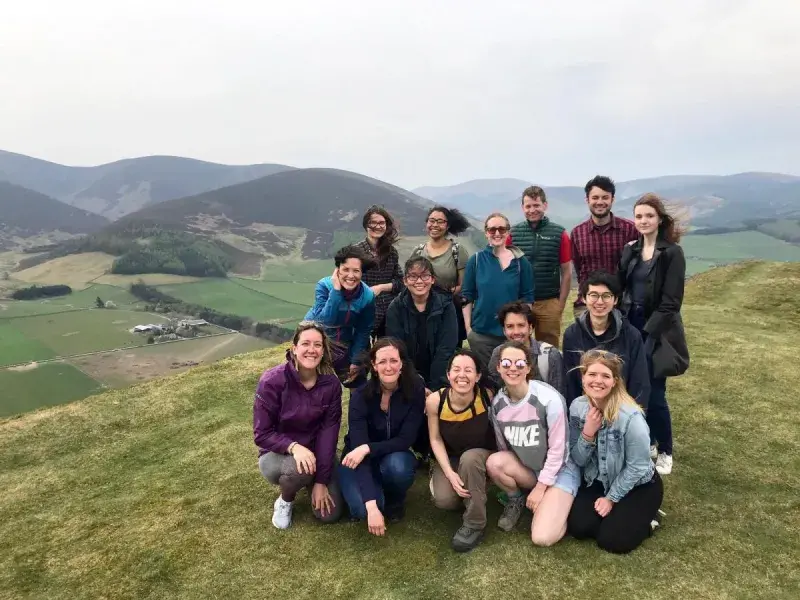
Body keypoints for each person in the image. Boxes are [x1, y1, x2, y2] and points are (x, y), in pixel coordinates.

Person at [618, 193, 689, 476]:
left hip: (657, 329)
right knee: (634, 390)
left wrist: (646, 336)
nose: (643, 221)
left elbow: (671, 303)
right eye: (638, 216)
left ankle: (666, 450)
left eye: (649, 215)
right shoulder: (631, 250)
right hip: (629, 324)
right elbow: (622, 286)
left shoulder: (672, 253)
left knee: (655, 394)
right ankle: (647, 441)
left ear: (659, 219)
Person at [566, 350, 664, 554]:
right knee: (578, 527)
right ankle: (623, 518)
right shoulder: (577, 407)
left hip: (638, 485)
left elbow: (637, 466)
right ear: (583, 377)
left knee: (612, 541)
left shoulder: (630, 417)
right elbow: (578, 459)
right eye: (592, 374)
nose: (597, 381)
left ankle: (649, 518)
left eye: (605, 376)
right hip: (599, 480)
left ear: (615, 381)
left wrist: (611, 498)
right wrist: (588, 433)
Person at [486, 341, 578, 546]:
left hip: (560, 471)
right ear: (498, 367)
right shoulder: (498, 404)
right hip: (530, 470)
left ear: (528, 368)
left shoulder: (549, 399)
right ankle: (516, 499)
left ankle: (561, 506)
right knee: (495, 462)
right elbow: (504, 448)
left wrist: (541, 488)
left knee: (542, 538)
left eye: (520, 363)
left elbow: (559, 451)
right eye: (507, 363)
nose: (513, 368)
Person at [254, 322, 344, 529]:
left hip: (314, 454)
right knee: (300, 470)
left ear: (323, 350)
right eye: (305, 344)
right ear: (294, 348)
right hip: (276, 453)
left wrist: (321, 481)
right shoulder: (272, 381)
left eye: (318, 345)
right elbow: (262, 434)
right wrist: (294, 447)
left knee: (329, 514)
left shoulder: (330, 385)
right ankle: (285, 501)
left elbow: (328, 434)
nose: (312, 350)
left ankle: (312, 479)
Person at [338, 338, 426, 536]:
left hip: (392, 455)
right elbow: (358, 451)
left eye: (394, 361)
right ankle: (368, 492)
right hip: (357, 458)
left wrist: (369, 448)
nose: (389, 367)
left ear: (402, 363)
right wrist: (371, 507)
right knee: (361, 510)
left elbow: (405, 440)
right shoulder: (360, 396)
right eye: (382, 362)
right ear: (374, 366)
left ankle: (395, 498)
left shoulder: (415, 391)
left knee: (399, 467)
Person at [426, 349, 497, 552]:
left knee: (470, 458)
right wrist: (448, 472)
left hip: (481, 456)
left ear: (478, 376)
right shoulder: (435, 401)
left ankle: (475, 524)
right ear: (448, 375)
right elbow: (435, 438)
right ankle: (471, 491)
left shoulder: (486, 396)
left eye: (468, 370)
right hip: (451, 458)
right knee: (445, 501)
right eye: (456, 369)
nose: (462, 375)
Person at [562, 270, 650, 407]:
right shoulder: (572, 334)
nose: (600, 302)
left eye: (606, 296)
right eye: (593, 295)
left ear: (615, 300)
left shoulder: (631, 335)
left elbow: (639, 381)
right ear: (584, 298)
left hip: (621, 407)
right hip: (585, 408)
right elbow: (571, 381)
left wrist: (634, 413)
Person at [461, 213, 534, 370]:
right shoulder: (476, 260)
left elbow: (528, 298)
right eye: (492, 229)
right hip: (481, 335)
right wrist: (469, 330)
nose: (497, 233)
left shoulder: (521, 262)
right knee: (487, 380)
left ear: (508, 232)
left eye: (501, 229)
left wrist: (524, 329)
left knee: (511, 376)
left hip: (512, 335)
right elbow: (467, 297)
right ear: (486, 232)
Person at [507, 186, 572, 348]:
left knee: (548, 349)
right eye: (528, 206)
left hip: (549, 302)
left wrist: (560, 304)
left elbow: (567, 272)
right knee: (519, 347)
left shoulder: (560, 233)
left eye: (536, 205)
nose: (532, 210)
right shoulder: (513, 234)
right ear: (522, 208)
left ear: (545, 205)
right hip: (520, 302)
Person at [385, 256, 458, 393]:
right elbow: (398, 350)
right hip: (407, 377)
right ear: (405, 281)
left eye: (425, 276)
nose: (419, 281)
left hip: (441, 375)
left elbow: (446, 348)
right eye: (413, 277)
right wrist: (415, 383)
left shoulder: (446, 305)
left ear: (432, 279)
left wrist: (435, 387)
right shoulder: (395, 308)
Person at [570, 176, 638, 320]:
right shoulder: (577, 233)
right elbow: (578, 268)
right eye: (595, 197)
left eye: (605, 197)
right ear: (587, 200)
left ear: (612, 199)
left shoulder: (630, 230)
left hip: (621, 303)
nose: (600, 202)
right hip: (588, 302)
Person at [304, 245, 376, 382]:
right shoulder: (324, 286)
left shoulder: (367, 296)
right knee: (316, 385)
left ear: (361, 273)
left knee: (356, 381)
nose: (351, 275)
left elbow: (363, 330)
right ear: (337, 270)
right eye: (345, 269)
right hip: (319, 338)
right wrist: (336, 291)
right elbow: (326, 322)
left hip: (346, 341)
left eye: (356, 271)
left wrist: (355, 361)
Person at [410, 205, 472, 346]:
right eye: (432, 220)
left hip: (449, 313)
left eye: (440, 221)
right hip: (422, 312)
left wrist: (444, 294)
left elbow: (464, 286)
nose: (435, 225)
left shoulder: (457, 251)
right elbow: (410, 281)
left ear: (448, 225)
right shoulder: (418, 252)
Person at [487, 301, 567, 398]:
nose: (516, 332)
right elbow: (494, 391)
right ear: (504, 330)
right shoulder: (498, 353)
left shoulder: (550, 355)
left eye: (521, 325)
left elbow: (559, 396)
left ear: (530, 328)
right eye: (510, 326)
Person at [356, 205, 404, 340]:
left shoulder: (391, 252)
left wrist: (380, 288)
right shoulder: (356, 252)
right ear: (366, 225)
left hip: (390, 314)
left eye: (382, 223)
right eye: (373, 222)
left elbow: (401, 282)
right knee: (362, 354)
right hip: (364, 311)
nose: (378, 226)